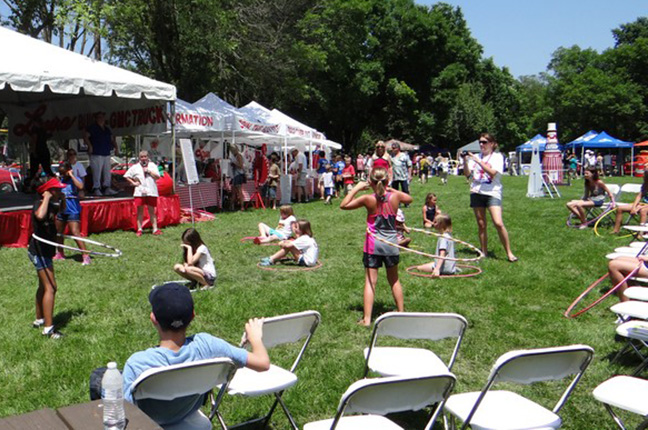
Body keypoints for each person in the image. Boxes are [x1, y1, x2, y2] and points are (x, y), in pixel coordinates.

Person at [121, 283, 270, 426]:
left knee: (99, 378)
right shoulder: (208, 346)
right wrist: (256, 338)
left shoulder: (137, 364)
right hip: (185, 412)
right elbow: (262, 363)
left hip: (151, 420)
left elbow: (122, 415)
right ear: (192, 316)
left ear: (153, 319)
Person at [340, 167, 412, 326]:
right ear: (387, 181)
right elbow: (409, 199)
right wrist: (390, 188)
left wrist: (357, 188)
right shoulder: (396, 196)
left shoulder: (368, 199)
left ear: (370, 182)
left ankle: (367, 319)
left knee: (370, 282)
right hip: (391, 244)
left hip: (373, 245)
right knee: (394, 280)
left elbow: (343, 205)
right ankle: (401, 312)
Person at [463, 133, 517, 262]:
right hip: (476, 192)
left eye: (484, 142)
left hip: (493, 192)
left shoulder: (497, 157)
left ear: (492, 144)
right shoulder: (476, 157)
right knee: (481, 224)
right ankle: (484, 252)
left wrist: (478, 161)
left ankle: (509, 253)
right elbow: (468, 175)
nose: (481, 144)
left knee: (498, 223)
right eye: (480, 142)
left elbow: (493, 172)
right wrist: (465, 162)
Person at [28, 177, 67, 339]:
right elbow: (39, 216)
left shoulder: (51, 205)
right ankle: (48, 328)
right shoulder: (40, 204)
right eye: (57, 189)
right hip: (39, 251)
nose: (60, 191)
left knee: (44, 286)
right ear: (48, 192)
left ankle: (39, 319)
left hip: (46, 250)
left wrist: (61, 200)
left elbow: (61, 211)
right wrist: (46, 198)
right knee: (51, 287)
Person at [53, 162, 91, 265]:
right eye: (60, 172)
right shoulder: (60, 180)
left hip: (72, 210)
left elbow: (81, 186)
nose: (62, 174)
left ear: (69, 170)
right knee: (58, 232)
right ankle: (60, 253)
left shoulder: (74, 179)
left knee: (75, 232)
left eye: (64, 172)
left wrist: (71, 175)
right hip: (62, 210)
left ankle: (85, 255)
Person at [124, 150, 162, 236]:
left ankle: (155, 229)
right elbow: (126, 175)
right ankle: (140, 229)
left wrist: (149, 171)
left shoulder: (152, 166)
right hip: (140, 192)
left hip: (151, 191)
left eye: (145, 156)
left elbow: (157, 177)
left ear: (148, 157)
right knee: (140, 211)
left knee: (152, 211)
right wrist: (133, 183)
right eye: (142, 157)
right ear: (139, 158)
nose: (143, 158)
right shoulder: (135, 167)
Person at [84, 112, 119, 196]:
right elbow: (85, 137)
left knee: (107, 171)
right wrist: (90, 146)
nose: (101, 119)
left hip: (106, 152)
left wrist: (116, 148)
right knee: (97, 171)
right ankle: (96, 188)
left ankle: (107, 187)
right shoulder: (92, 128)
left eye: (102, 117)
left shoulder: (106, 129)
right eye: (99, 117)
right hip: (96, 152)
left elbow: (112, 139)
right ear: (96, 118)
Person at [27, 117, 54, 188]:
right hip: (44, 150)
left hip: (38, 151)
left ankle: (30, 186)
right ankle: (53, 182)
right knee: (47, 168)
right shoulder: (43, 130)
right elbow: (49, 135)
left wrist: (33, 151)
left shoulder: (35, 130)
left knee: (34, 170)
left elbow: (34, 140)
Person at [229, 143, 246, 211]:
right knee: (234, 191)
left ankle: (242, 207)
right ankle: (232, 206)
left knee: (239, 191)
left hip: (238, 175)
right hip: (236, 175)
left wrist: (234, 164)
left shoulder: (238, 156)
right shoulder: (236, 156)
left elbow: (241, 166)